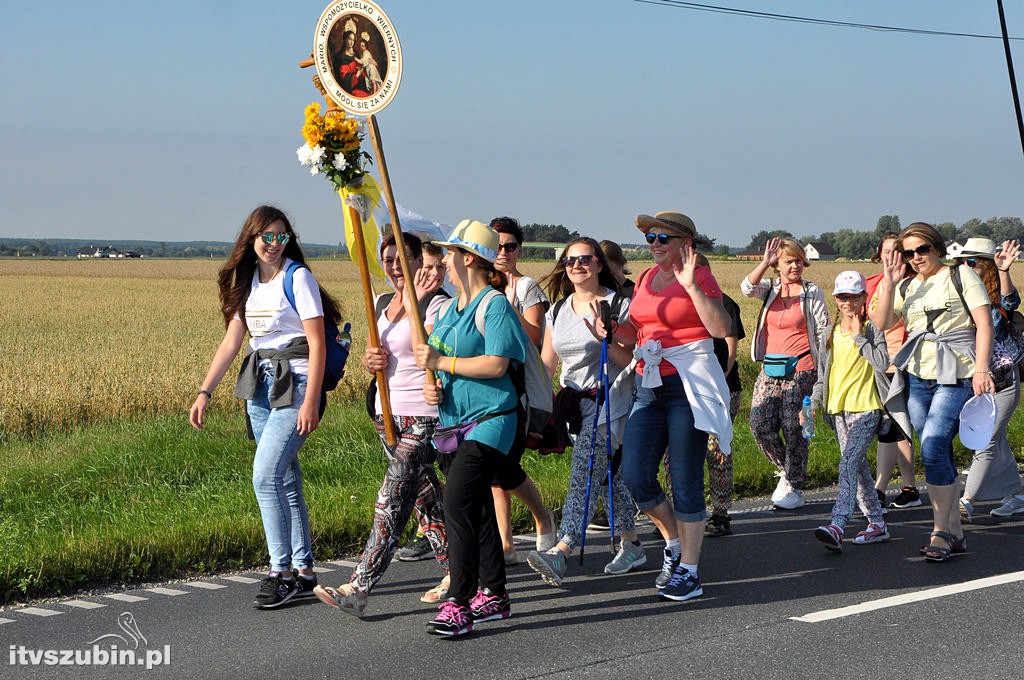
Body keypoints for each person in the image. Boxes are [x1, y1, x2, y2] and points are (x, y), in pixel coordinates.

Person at [189, 205, 341, 609]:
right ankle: (304, 570)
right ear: (251, 239)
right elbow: (231, 342)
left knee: (265, 475)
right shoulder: (248, 282)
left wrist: (311, 401)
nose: (273, 244)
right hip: (261, 387)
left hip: (298, 383)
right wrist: (205, 392)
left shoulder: (299, 277)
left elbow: (319, 342)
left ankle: (280, 572)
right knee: (284, 478)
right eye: (266, 237)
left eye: (281, 237)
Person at [313, 233, 450, 616]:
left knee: (391, 497)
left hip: (424, 414)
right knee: (424, 499)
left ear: (416, 260)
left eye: (400, 258)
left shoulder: (438, 304)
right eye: (386, 259)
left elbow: (438, 352)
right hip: (386, 413)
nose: (392, 266)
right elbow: (378, 357)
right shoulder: (381, 302)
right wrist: (368, 361)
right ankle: (459, 568)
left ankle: (358, 586)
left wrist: (418, 302)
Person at [607, 211, 732, 602]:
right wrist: (610, 330)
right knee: (635, 474)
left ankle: (690, 572)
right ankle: (674, 543)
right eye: (651, 238)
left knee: (684, 476)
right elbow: (638, 331)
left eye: (663, 238)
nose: (655, 244)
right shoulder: (644, 278)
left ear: (685, 244)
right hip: (649, 382)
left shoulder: (701, 277)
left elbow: (719, 328)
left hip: (686, 385)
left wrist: (692, 286)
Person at [414, 219, 530, 636]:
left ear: (468, 258)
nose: (443, 260)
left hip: (491, 422)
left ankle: (459, 602)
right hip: (455, 425)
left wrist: (442, 364)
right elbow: (440, 363)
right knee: (478, 509)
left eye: (449, 253)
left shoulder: (493, 304)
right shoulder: (451, 310)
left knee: (457, 504)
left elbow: (498, 364)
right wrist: (436, 386)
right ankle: (495, 595)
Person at [870, 222, 994, 562]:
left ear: (936, 247)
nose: (915, 257)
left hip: (956, 375)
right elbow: (881, 323)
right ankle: (954, 529)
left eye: (921, 249)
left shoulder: (960, 276)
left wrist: (982, 370)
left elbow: (984, 324)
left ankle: (939, 531)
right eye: (908, 252)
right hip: (919, 377)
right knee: (936, 452)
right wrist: (890, 280)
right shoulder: (908, 284)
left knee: (934, 443)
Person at [524, 237, 644, 586]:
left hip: (611, 402)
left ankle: (561, 551)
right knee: (607, 475)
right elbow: (548, 363)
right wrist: (535, 403)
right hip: (572, 406)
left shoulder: (618, 304)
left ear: (598, 264)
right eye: (570, 260)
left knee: (586, 472)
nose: (577, 265)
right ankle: (632, 543)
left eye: (585, 259)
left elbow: (633, 358)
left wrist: (606, 337)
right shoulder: (558, 311)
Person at [805, 271, 896, 552]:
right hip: (839, 412)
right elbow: (823, 375)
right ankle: (877, 524)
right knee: (857, 469)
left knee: (847, 464)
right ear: (835, 299)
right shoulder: (828, 333)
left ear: (863, 298)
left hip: (868, 409)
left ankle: (838, 523)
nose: (847, 302)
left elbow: (882, 363)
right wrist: (814, 403)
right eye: (842, 297)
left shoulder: (871, 330)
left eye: (853, 296)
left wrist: (860, 339)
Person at [741, 237, 829, 510]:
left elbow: (823, 329)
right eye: (789, 261)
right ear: (777, 265)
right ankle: (789, 472)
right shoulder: (770, 288)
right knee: (759, 423)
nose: (795, 265)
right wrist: (764, 263)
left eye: (799, 260)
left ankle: (794, 485)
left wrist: (824, 368)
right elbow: (746, 289)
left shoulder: (812, 292)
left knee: (793, 427)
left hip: (801, 368)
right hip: (771, 367)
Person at [488, 216, 557, 563]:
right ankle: (506, 546)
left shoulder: (526, 287)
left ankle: (543, 517)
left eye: (510, 246)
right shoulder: (477, 286)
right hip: (486, 384)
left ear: (519, 250)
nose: (503, 252)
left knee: (504, 468)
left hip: (518, 388)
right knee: (493, 474)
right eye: (497, 245)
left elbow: (534, 337)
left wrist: (502, 307)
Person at [955, 238, 1023, 520]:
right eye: (962, 262)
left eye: (971, 263)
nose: (965, 268)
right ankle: (1017, 495)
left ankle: (966, 501)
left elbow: (1011, 301)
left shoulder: (995, 302)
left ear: (986, 266)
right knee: (998, 439)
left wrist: (1004, 272)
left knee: (986, 440)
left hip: (1004, 381)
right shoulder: (960, 297)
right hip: (976, 383)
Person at [396, 240, 452, 563]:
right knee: (425, 478)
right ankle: (442, 543)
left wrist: (413, 303)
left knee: (408, 478)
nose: (433, 274)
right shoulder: (392, 301)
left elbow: (424, 350)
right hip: (400, 406)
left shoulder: (438, 304)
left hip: (432, 406)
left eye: (439, 267)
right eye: (427, 267)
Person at [866, 233, 920, 509]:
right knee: (897, 426)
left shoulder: (911, 285)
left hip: (900, 362)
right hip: (876, 363)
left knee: (891, 425)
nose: (891, 257)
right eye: (887, 252)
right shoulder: (872, 284)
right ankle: (910, 487)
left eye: (896, 252)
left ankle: (879, 489)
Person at [696, 254, 745, 537]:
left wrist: (714, 386)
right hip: (689, 390)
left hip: (721, 389)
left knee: (717, 450)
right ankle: (685, 512)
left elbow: (729, 354)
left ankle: (720, 513)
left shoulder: (724, 303)